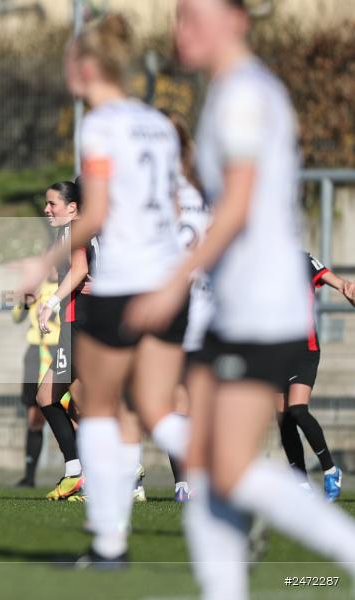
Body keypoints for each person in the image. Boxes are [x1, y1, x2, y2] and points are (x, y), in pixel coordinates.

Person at [126, 0, 355, 596]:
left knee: (220, 463)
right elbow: (223, 191)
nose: (182, 30)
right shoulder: (229, 92)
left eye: (195, 17)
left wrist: (176, 277)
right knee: (200, 454)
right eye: (178, 16)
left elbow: (240, 204)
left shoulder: (245, 94)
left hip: (261, 306)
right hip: (236, 304)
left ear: (238, 20)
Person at [21, 15, 191, 565]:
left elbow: (91, 216)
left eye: (71, 61)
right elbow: (170, 209)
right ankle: (248, 493)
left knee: (96, 412)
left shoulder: (98, 127)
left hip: (119, 290)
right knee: (157, 412)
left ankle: (108, 543)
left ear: (88, 67)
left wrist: (41, 265)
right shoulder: (159, 125)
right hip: (167, 285)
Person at [277, 252, 355, 501]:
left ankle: (331, 470)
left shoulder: (302, 260)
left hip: (304, 349)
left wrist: (347, 287)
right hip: (273, 351)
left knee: (298, 409)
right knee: (283, 418)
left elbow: (339, 282)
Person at [36, 180, 94, 501]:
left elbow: (81, 268)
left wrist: (52, 302)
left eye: (52, 204)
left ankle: (84, 474)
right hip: (76, 323)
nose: (46, 210)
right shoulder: (70, 230)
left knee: (53, 397)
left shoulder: (75, 229)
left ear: (72, 207)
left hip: (78, 323)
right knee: (64, 400)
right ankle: (82, 474)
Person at [166, 109, 212, 503]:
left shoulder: (206, 186)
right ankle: (185, 479)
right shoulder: (151, 189)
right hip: (171, 308)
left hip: (207, 307)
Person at [11, 263, 59, 489]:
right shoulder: (36, 285)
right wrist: (24, 302)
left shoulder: (67, 284)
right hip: (35, 352)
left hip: (58, 349)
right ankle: (29, 476)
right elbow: (17, 317)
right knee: (34, 417)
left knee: (70, 410)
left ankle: (78, 470)